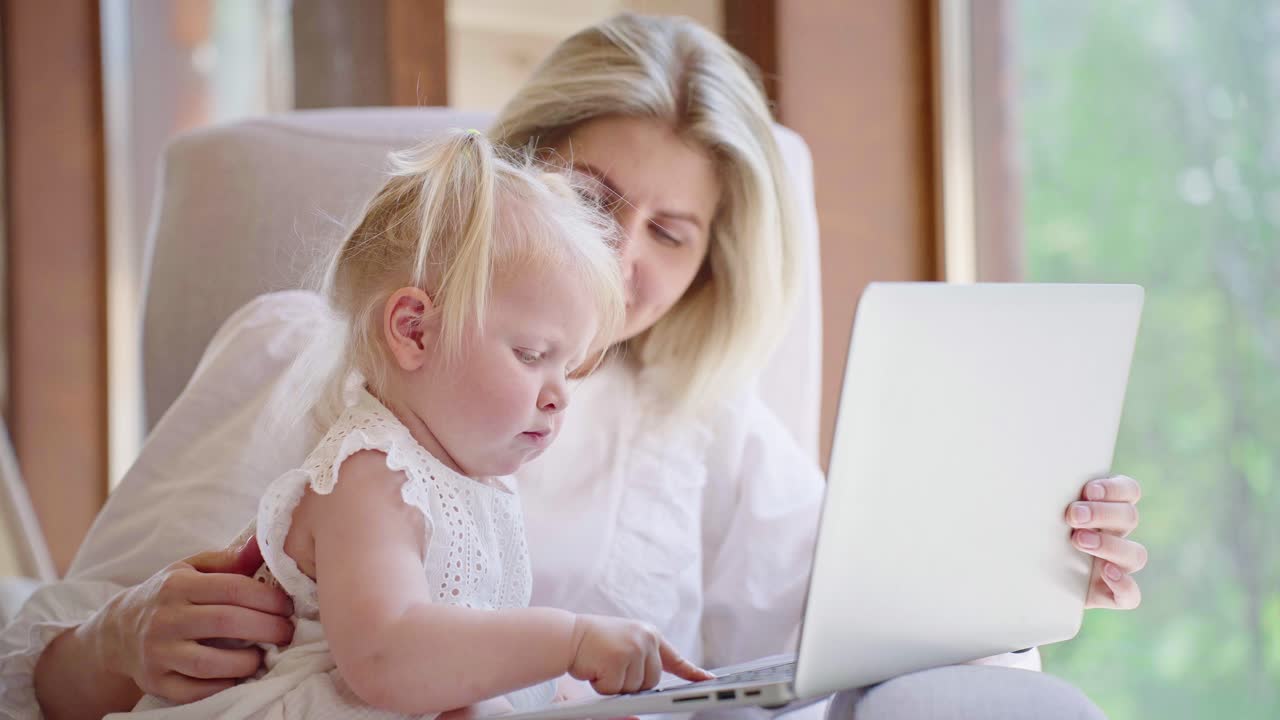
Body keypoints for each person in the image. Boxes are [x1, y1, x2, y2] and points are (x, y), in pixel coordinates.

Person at [1, 13, 1147, 720]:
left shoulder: (703, 422)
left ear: (710, 266)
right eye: (593, 202)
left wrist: (1028, 557)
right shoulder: (309, 351)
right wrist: (112, 641)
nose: (619, 258)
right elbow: (44, 658)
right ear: (516, 176)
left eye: (671, 233)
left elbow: (863, 623)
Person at [110, 129, 711, 718]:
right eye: (531, 355)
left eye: (569, 368)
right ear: (414, 331)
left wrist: (565, 697)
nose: (558, 397)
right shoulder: (371, 475)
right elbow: (388, 655)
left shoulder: (462, 482)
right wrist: (570, 640)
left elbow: (467, 655)